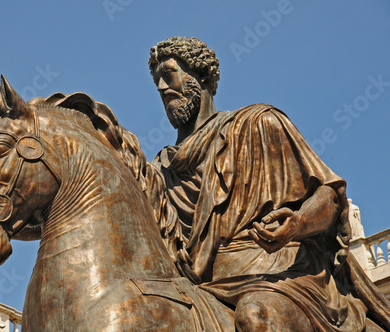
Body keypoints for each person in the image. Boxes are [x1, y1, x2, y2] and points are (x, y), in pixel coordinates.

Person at [146, 36, 390, 331]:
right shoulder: (159, 172)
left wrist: (298, 223)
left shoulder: (259, 124)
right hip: (200, 284)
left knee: (256, 317)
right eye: (156, 80)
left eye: (169, 74)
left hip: (278, 274)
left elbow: (330, 196)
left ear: (201, 75)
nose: (161, 87)